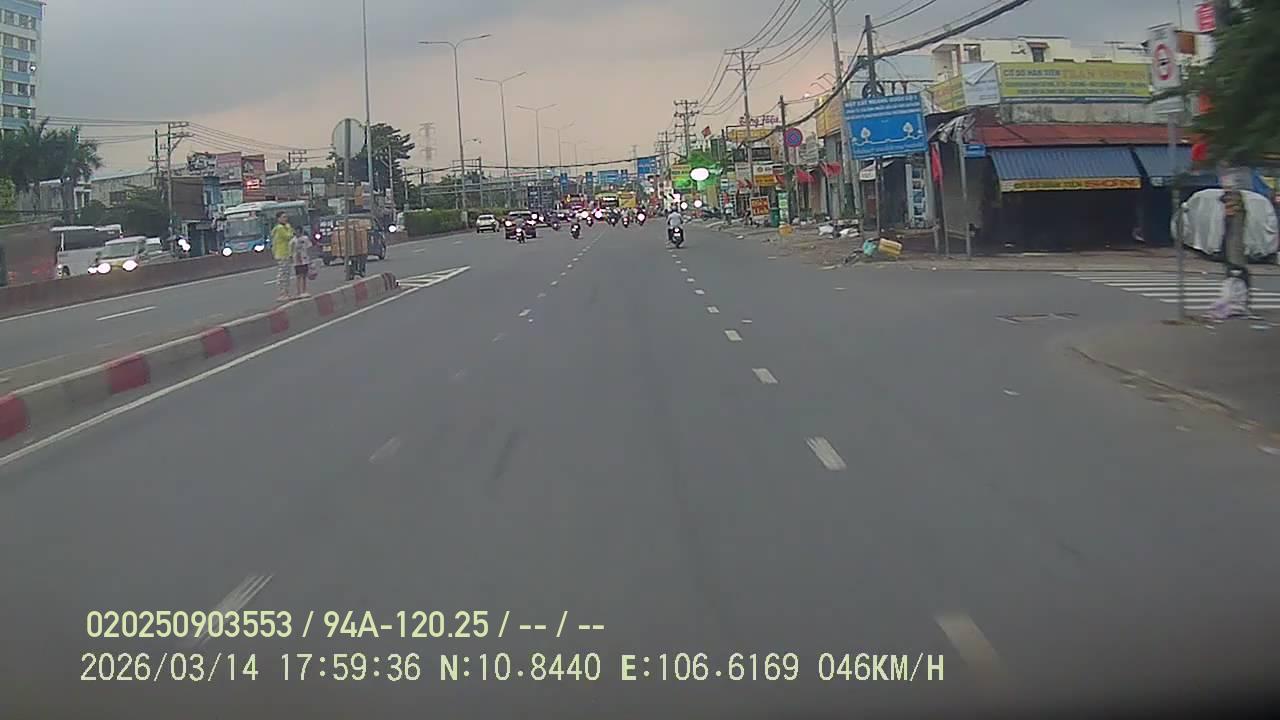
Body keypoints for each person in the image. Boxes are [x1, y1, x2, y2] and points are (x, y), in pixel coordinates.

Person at [270, 212, 294, 301]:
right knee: (283, 274)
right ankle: (282, 293)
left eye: (286, 217)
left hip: (286, 253)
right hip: (282, 253)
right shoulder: (280, 228)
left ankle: (286, 293)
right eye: (283, 217)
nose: (285, 219)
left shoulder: (283, 227)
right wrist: (290, 229)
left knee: (286, 274)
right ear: (278, 219)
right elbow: (288, 236)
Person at [289, 227, 311, 297]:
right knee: (298, 276)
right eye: (296, 232)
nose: (297, 233)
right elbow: (290, 251)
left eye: (298, 232)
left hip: (304, 259)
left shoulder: (305, 238)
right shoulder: (292, 241)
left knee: (304, 276)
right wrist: (291, 258)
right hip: (297, 261)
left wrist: (309, 259)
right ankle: (298, 292)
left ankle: (304, 291)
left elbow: (309, 247)